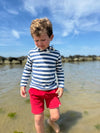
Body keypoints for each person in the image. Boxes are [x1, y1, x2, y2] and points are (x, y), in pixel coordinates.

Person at [20, 18, 64, 133]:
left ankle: (50, 122)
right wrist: (23, 84)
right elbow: (27, 70)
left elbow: (59, 71)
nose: (40, 43)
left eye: (43, 40)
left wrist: (61, 86)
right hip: (35, 90)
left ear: (51, 37)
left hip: (51, 90)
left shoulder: (56, 54)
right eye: (36, 40)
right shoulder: (32, 54)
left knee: (56, 116)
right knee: (38, 118)